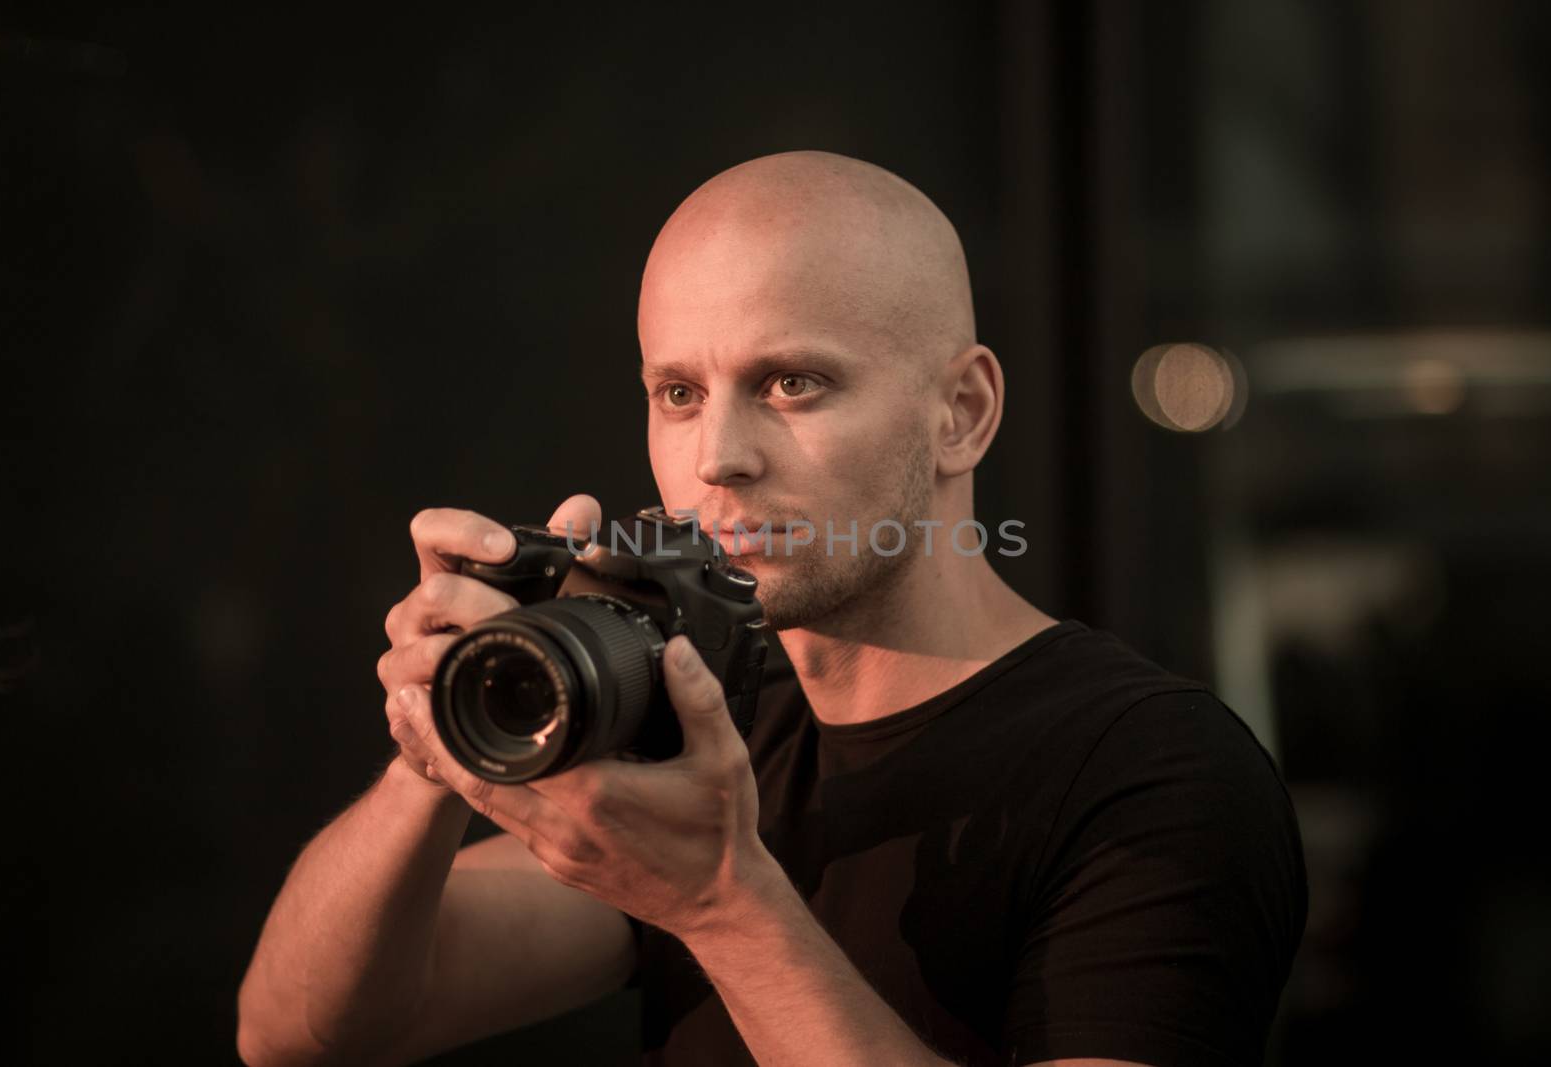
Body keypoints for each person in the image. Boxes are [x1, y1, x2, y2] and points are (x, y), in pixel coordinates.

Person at [236, 150, 1307, 1067]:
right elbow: (301, 1033)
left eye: (792, 383)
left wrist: (721, 901)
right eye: (679, 392)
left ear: (962, 413)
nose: (717, 458)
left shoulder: (1152, 771)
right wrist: (434, 746)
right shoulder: (715, 728)